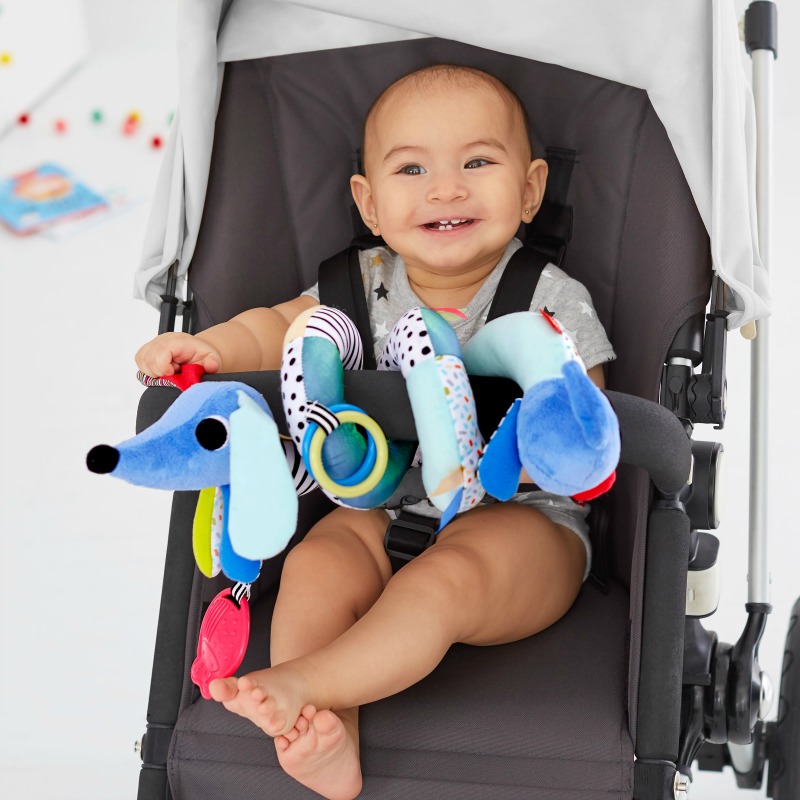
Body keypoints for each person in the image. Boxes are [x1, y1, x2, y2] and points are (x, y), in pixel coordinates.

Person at [135, 64, 616, 800]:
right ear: (369, 202)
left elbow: (582, 423)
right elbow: (275, 330)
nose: (445, 189)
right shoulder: (359, 286)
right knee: (316, 565)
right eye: (412, 169)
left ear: (530, 190)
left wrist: (511, 454)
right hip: (381, 503)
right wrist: (211, 350)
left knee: (445, 579)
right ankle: (327, 739)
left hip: (524, 519)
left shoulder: (548, 299)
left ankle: (308, 683)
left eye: (477, 162)